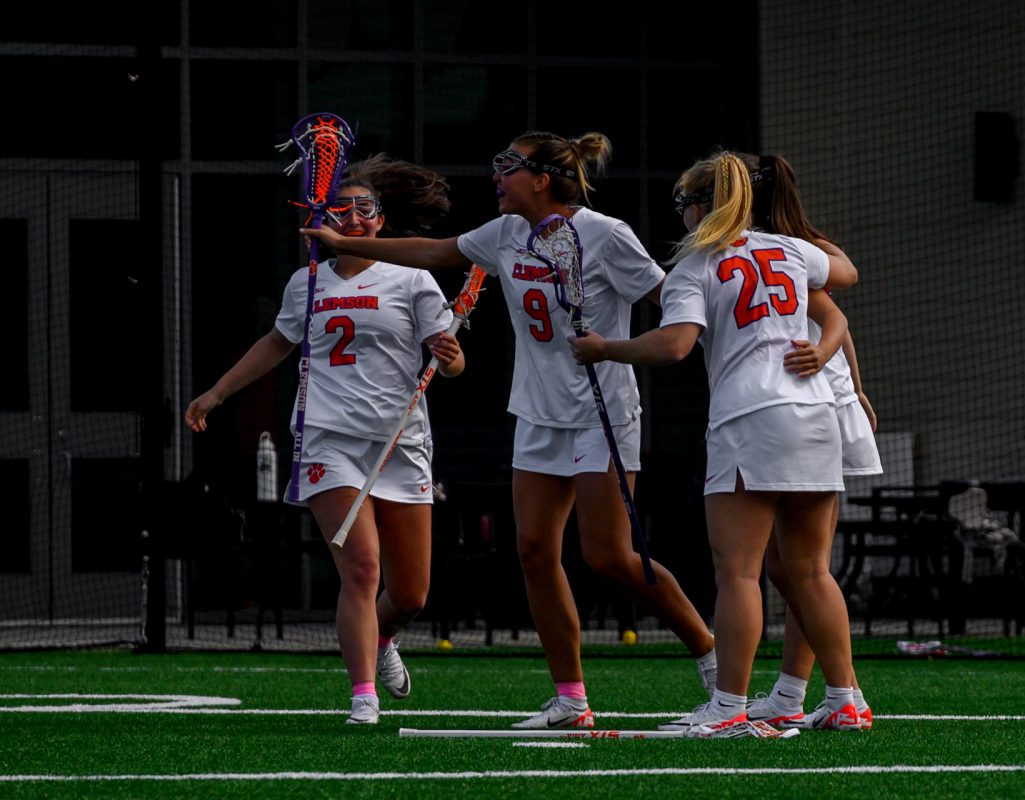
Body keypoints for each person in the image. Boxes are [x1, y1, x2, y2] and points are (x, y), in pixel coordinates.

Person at [300, 131, 717, 730]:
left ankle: (709, 656)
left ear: (542, 177)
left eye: (507, 166)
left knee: (610, 556)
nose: (496, 176)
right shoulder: (504, 235)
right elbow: (435, 251)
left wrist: (627, 347)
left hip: (603, 415)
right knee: (534, 552)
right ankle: (570, 699)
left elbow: (670, 293)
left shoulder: (606, 234)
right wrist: (341, 241)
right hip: (537, 416)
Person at [570, 151, 860, 733]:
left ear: (698, 206)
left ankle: (727, 708)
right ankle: (846, 699)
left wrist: (607, 349)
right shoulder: (792, 251)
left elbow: (675, 345)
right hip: (814, 416)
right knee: (811, 571)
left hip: (749, 419)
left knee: (740, 574)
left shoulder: (695, 264)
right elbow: (846, 276)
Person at [186, 155, 465, 724]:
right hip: (327, 437)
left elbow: (451, 362)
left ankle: (382, 637)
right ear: (325, 219)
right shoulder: (307, 281)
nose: (356, 218)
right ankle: (364, 696)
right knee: (362, 568)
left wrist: (454, 358)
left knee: (410, 593)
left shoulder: (413, 278)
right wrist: (216, 392)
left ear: (382, 221)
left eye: (367, 210)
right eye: (344, 209)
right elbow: (277, 343)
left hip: (399, 442)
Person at [731, 153, 881, 731]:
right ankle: (794, 693)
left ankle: (837, 695)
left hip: (811, 400)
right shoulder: (749, 246)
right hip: (803, 399)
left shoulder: (794, 245)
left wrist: (855, 389)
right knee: (786, 565)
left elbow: (840, 293)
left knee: (801, 564)